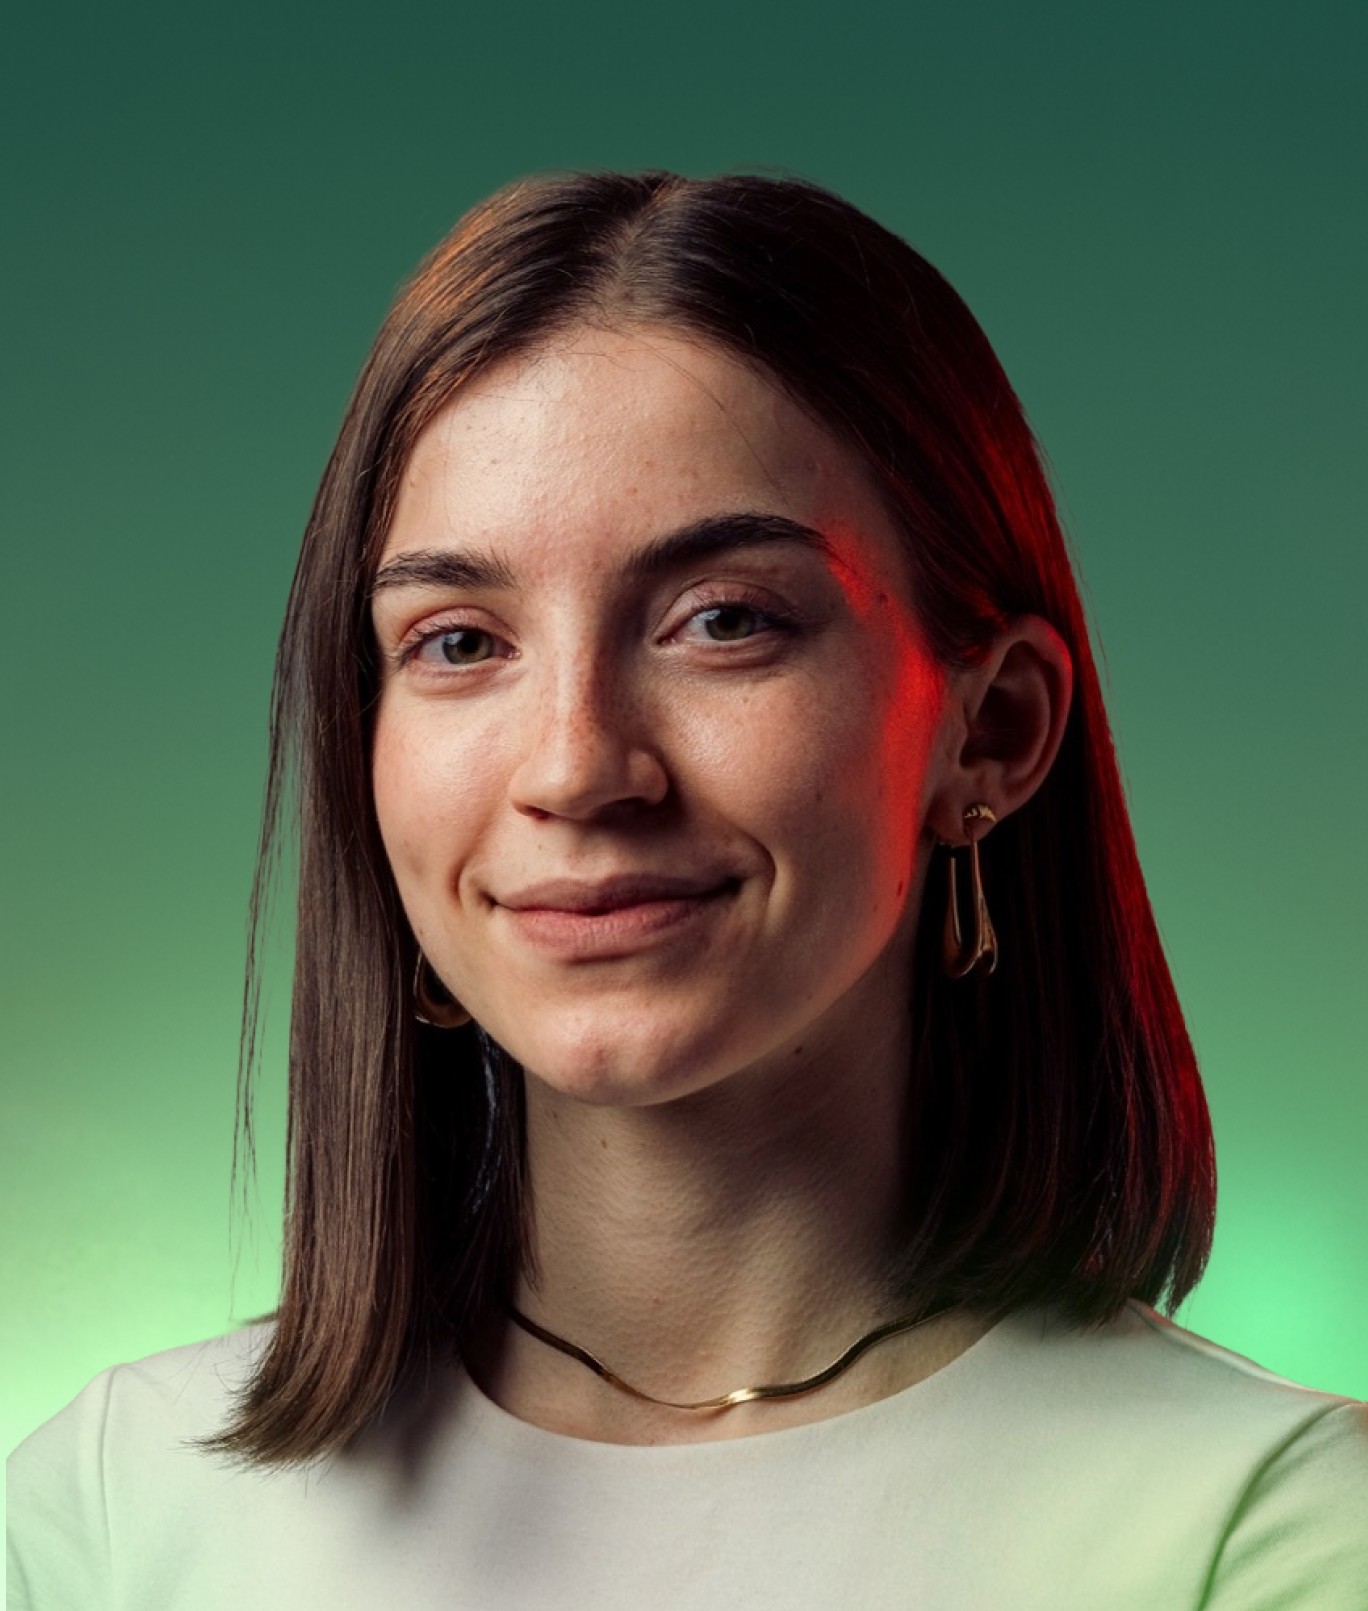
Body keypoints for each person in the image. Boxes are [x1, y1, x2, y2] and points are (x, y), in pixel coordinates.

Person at [7, 170, 1367, 1609]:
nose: (576, 767)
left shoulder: (1267, 1531)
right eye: (461, 642)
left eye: (723, 621)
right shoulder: (113, 1514)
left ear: (994, 729)